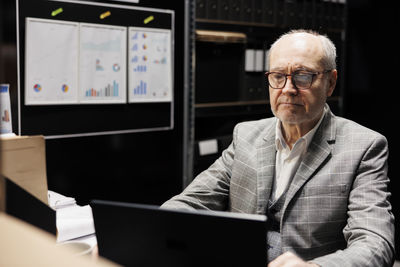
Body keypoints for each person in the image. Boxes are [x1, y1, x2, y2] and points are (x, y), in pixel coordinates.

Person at [162, 29, 395, 266]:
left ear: (330, 82)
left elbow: (376, 244)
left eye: (303, 76)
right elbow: (190, 204)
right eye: (278, 76)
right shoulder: (246, 135)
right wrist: (154, 233)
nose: (287, 88)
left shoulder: (363, 147)